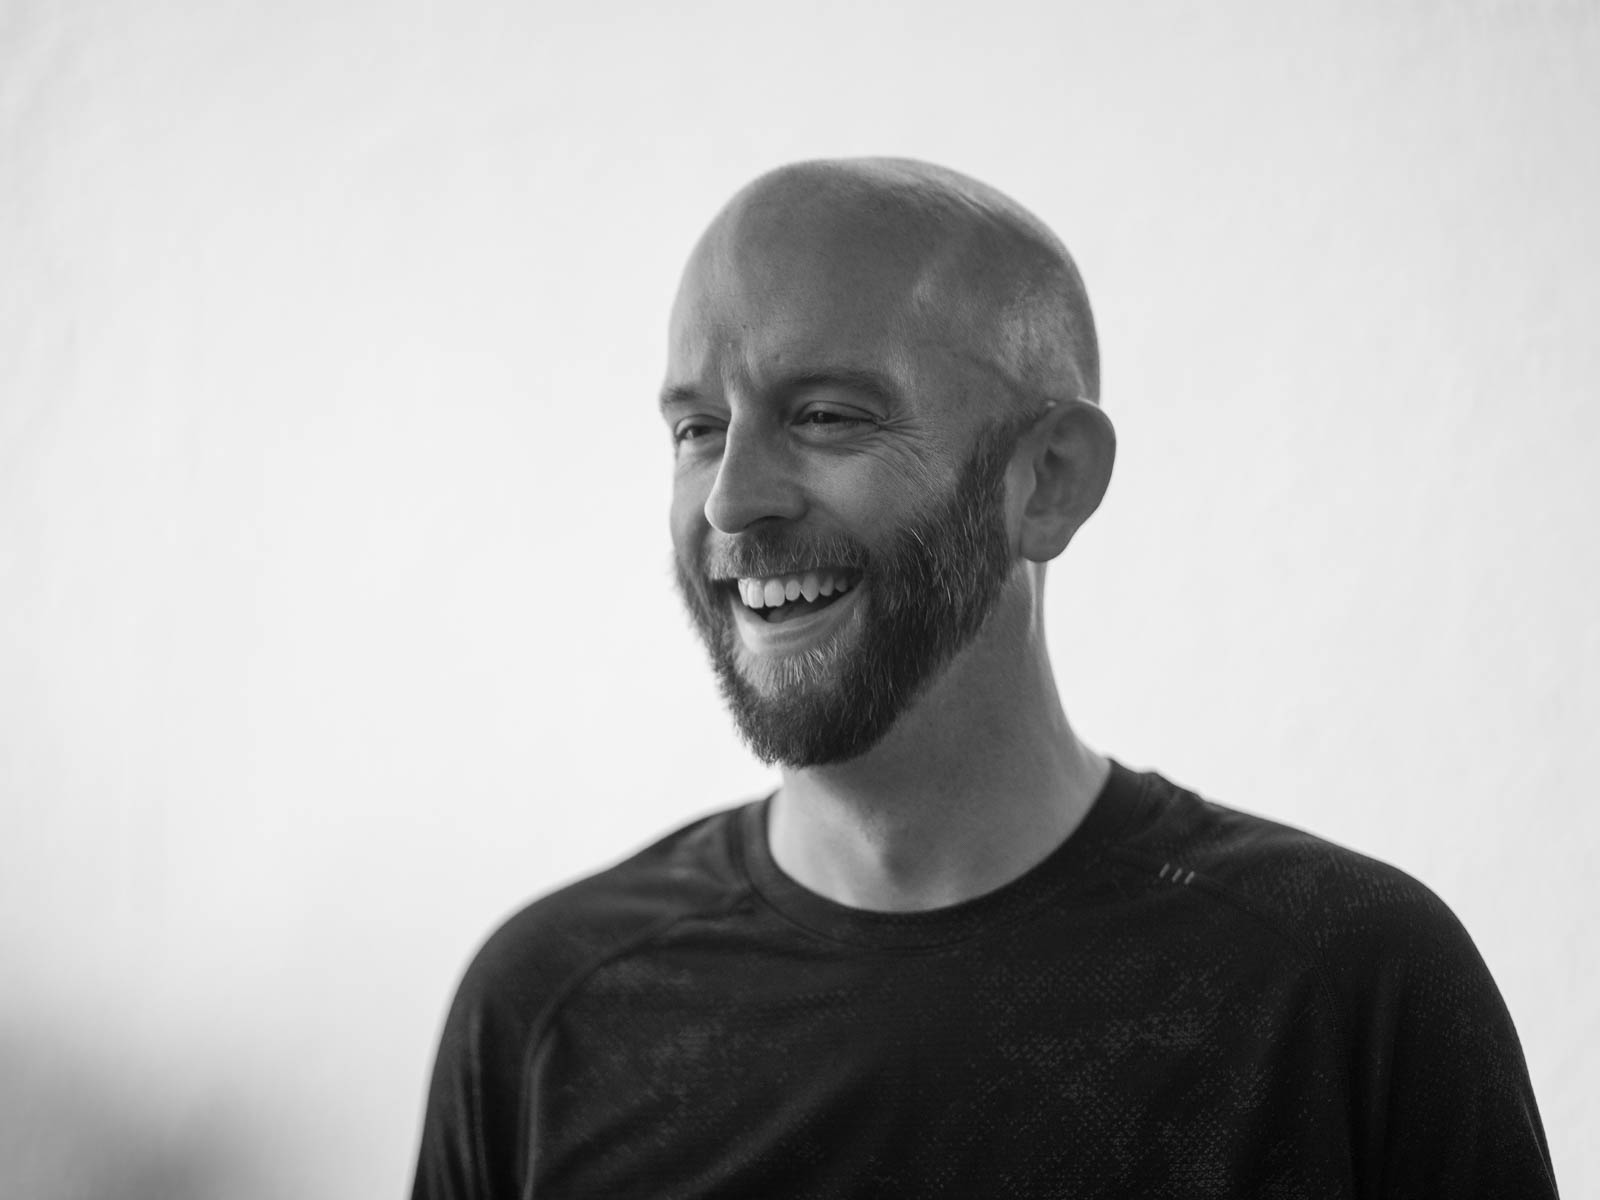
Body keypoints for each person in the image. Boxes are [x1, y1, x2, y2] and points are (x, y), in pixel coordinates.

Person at [411, 159, 1558, 1199]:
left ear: (1048, 480)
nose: (730, 500)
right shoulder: (549, 1010)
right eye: (697, 430)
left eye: (825, 416)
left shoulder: (1346, 989)